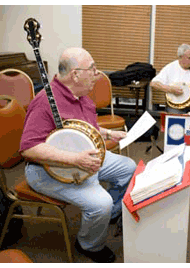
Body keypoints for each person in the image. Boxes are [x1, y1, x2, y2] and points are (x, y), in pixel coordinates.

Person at [19, 47, 137, 263]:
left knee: (129, 168)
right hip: (48, 170)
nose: (97, 73)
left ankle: (108, 215)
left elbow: (82, 127)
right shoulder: (45, 101)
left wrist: (109, 132)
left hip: (84, 159)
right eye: (92, 68)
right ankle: (89, 244)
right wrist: (75, 159)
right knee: (100, 202)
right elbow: (28, 148)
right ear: (75, 74)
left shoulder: (81, 95)